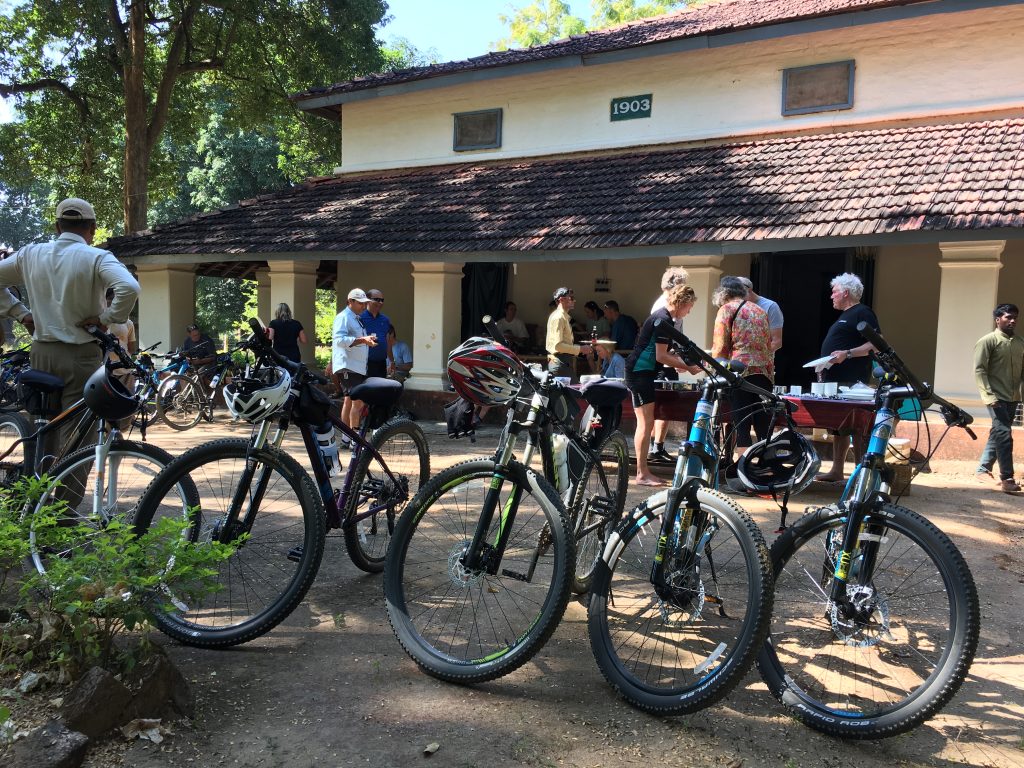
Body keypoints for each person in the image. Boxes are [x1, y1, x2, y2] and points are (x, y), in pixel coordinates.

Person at [0, 197, 139, 461]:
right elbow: (129, 288)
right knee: (77, 437)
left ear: (57, 227)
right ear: (93, 228)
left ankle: (37, 497)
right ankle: (66, 503)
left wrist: (22, 315)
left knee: (44, 431)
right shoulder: (97, 257)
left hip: (41, 353)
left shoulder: (31, 254)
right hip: (83, 355)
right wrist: (106, 318)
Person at [626, 284, 702, 487]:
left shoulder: (666, 318)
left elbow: (664, 353)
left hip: (644, 373)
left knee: (648, 422)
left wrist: (682, 362)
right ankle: (642, 474)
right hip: (639, 373)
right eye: (690, 306)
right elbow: (661, 356)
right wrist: (686, 366)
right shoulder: (664, 320)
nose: (690, 311)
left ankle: (645, 471)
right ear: (683, 303)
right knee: (645, 423)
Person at [816, 272, 881, 482]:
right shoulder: (846, 314)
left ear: (845, 292)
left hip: (852, 381)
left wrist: (848, 354)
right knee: (839, 427)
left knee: (857, 426)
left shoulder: (863, 312)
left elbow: (876, 344)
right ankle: (837, 470)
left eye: (834, 292)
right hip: (835, 379)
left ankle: (862, 475)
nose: (831, 296)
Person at [711, 277, 773, 458]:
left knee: (742, 424)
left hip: (740, 371)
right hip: (765, 372)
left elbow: (720, 347)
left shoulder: (726, 309)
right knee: (763, 422)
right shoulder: (760, 310)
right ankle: (764, 468)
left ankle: (742, 468)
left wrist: (715, 369)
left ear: (723, 295)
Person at [974, 303, 1023, 494]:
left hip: (1013, 398)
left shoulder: (1020, 343)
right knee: (1004, 435)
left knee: (998, 432)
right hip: (995, 397)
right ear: (997, 319)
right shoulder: (988, 341)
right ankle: (1007, 478)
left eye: (1014, 317)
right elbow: (979, 370)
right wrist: (988, 396)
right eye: (1008, 317)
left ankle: (983, 469)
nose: (1012, 320)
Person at [648, 266, 690, 463]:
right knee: (659, 407)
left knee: (665, 406)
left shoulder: (672, 306)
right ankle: (653, 447)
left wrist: (681, 358)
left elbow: (677, 338)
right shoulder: (662, 309)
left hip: (669, 360)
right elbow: (661, 346)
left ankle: (657, 447)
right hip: (659, 364)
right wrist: (678, 362)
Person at [333, 288, 378, 431]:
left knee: (349, 401)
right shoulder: (343, 317)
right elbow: (339, 340)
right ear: (350, 301)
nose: (364, 306)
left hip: (356, 366)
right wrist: (363, 340)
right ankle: (355, 438)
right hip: (348, 365)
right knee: (357, 402)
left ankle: (347, 437)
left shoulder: (355, 317)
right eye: (360, 303)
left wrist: (366, 340)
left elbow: (357, 340)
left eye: (365, 303)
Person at [546, 287, 591, 382]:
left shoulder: (562, 317)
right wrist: (580, 349)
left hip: (562, 363)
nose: (574, 301)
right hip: (560, 363)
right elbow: (558, 346)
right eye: (571, 298)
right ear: (561, 300)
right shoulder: (559, 317)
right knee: (574, 394)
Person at [736, 276, 783, 352]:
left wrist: (759, 356)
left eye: (739, 294)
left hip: (761, 360)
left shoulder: (771, 306)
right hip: (738, 359)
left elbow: (777, 341)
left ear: (749, 289)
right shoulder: (736, 306)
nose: (736, 298)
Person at [360, 289, 390, 378]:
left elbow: (387, 340)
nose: (380, 302)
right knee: (368, 389)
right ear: (367, 300)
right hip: (365, 362)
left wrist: (391, 361)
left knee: (381, 389)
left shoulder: (385, 320)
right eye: (377, 299)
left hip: (381, 362)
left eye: (382, 300)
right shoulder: (360, 318)